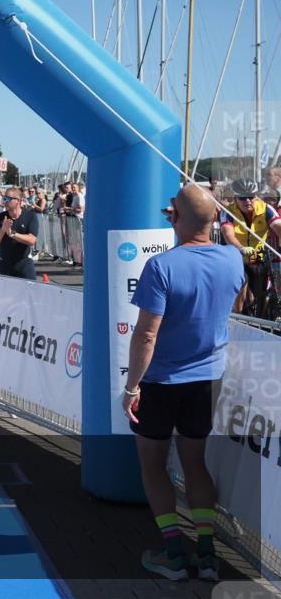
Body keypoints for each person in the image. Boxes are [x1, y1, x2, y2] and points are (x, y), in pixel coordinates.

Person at [123, 184, 244, 581]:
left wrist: (131, 387)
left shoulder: (162, 266)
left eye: (172, 212)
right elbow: (235, 304)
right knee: (195, 461)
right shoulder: (232, 259)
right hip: (208, 378)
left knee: (153, 466)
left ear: (174, 217)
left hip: (161, 381)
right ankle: (207, 554)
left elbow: (145, 335)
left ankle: (174, 552)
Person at [219, 178, 281, 316]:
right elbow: (228, 235)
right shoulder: (227, 212)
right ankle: (239, 315)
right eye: (242, 198)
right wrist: (241, 248)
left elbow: (277, 226)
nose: (247, 201)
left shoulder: (266, 209)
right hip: (237, 255)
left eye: (251, 197)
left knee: (262, 292)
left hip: (258, 256)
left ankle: (261, 319)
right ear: (235, 198)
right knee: (241, 283)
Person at [0, 186, 39, 279]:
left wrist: (12, 234)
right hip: (5, 263)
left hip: (24, 262)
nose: (5, 201)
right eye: (4, 198)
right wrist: (3, 229)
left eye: (8, 199)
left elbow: (32, 240)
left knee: (32, 291)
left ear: (18, 201)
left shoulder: (30, 216)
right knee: (6, 293)